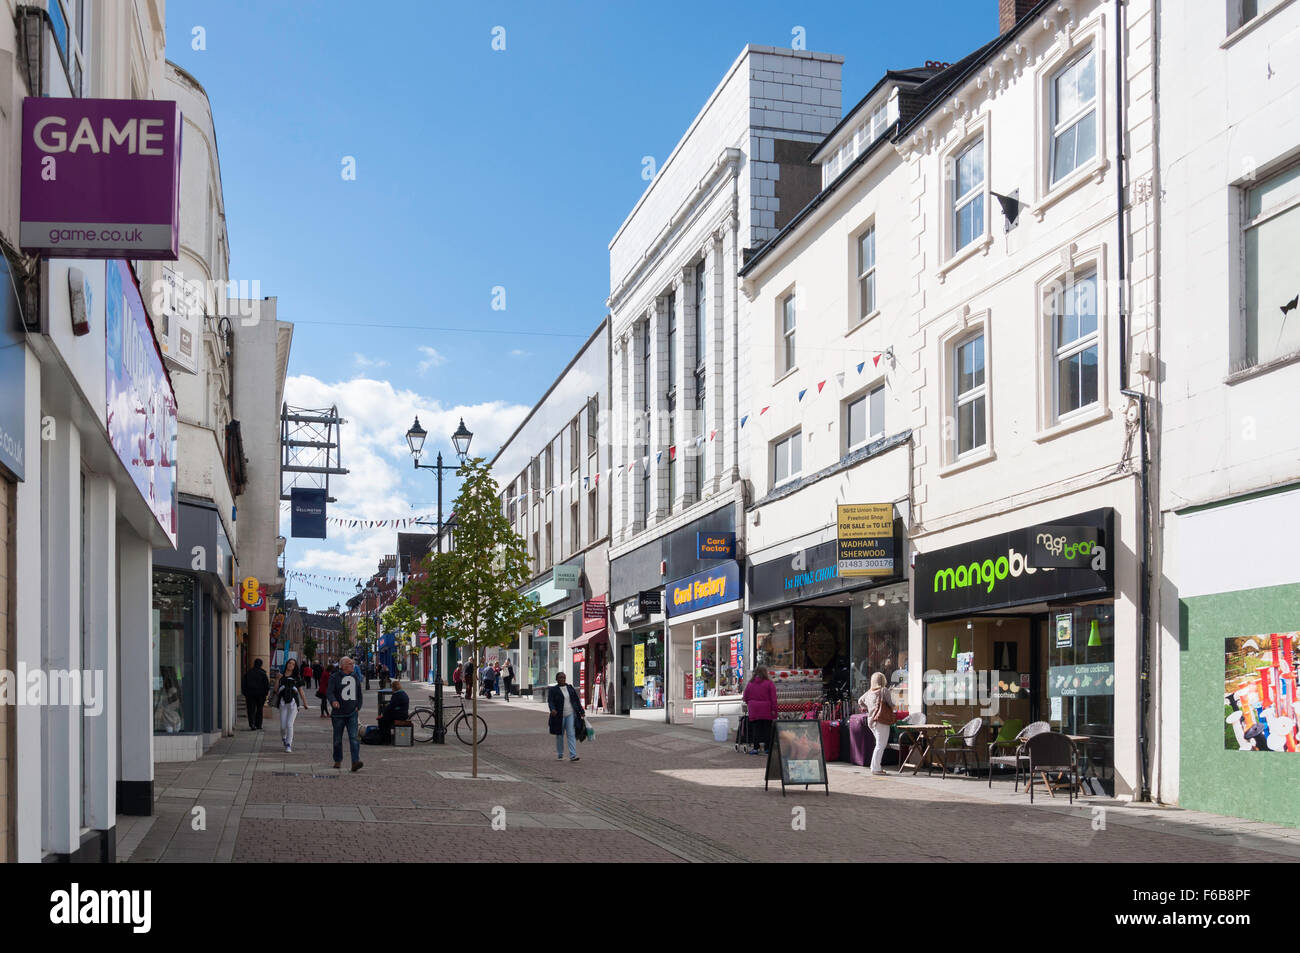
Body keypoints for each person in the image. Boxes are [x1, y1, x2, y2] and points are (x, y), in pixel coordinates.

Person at [328, 656, 365, 771]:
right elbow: (329, 692)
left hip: (352, 713)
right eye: (350, 663)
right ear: (343, 666)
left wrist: (358, 706)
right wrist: (333, 701)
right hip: (338, 714)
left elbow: (359, 694)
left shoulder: (355, 677)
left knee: (354, 738)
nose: (352, 665)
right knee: (337, 739)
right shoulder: (334, 677)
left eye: (352, 663)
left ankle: (355, 761)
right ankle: (338, 760)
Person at [859, 672, 894, 776]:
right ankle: (875, 768)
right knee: (880, 745)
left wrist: (869, 707)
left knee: (878, 744)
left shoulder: (869, 692)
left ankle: (874, 767)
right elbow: (892, 704)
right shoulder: (884, 690)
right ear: (883, 680)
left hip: (871, 721)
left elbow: (860, 701)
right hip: (881, 720)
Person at [547, 671, 584, 762]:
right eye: (560, 677)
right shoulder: (553, 690)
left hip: (570, 714)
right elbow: (550, 701)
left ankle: (573, 755)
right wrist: (552, 709)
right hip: (559, 716)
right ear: (556, 679)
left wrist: (581, 711)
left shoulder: (570, 688)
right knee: (560, 735)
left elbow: (576, 700)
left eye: (563, 677)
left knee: (571, 734)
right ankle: (560, 754)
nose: (562, 679)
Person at [742, 665, 778, 754]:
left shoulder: (750, 684)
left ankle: (756, 748)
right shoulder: (769, 683)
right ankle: (767, 748)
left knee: (756, 729)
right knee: (767, 729)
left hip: (754, 709)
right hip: (766, 709)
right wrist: (774, 710)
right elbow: (773, 698)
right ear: (765, 673)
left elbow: (745, 697)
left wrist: (750, 703)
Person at [276, 658, 307, 753]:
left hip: (293, 703)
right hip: (282, 703)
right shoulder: (281, 676)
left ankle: (289, 744)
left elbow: (301, 691)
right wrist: (277, 679)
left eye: (293, 664)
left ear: (295, 667)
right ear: (287, 664)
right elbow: (275, 690)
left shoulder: (297, 677)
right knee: (282, 726)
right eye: (289, 663)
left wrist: (305, 703)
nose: (291, 665)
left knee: (289, 724)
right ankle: (284, 738)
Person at [376, 679, 410, 745]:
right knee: (386, 718)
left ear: (393, 688)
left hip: (399, 715)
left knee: (382, 720)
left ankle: (386, 740)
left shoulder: (396, 695)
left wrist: (382, 714)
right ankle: (386, 738)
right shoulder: (403, 693)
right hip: (404, 714)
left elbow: (390, 707)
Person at [241, 658, 270, 731]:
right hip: (261, 695)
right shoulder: (263, 674)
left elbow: (243, 684)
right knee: (259, 709)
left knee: (251, 709)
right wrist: (266, 693)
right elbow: (267, 685)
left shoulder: (248, 673)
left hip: (250, 694)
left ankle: (252, 724)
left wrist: (245, 693)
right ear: (261, 664)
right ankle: (259, 724)